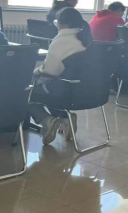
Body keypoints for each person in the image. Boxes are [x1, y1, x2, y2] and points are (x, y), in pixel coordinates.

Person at [29, 8, 92, 145]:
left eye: (57, 22)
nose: (56, 24)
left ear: (65, 25)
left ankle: (47, 120)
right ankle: (65, 118)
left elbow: (51, 71)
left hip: (63, 91)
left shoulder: (61, 41)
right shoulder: (85, 39)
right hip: (83, 91)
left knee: (25, 92)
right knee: (51, 89)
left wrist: (35, 71)